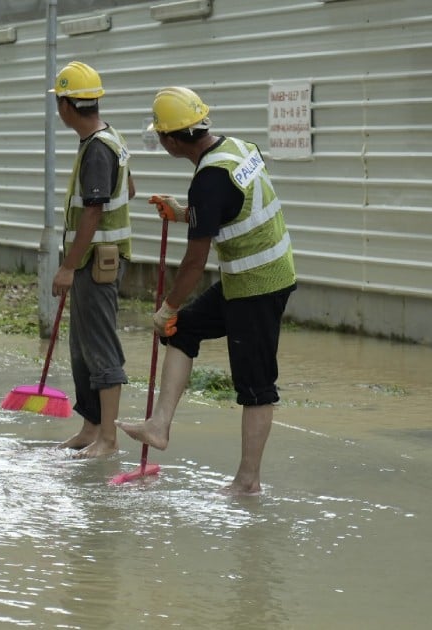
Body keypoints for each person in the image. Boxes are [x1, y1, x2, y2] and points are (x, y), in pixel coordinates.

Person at [116, 87, 297, 495]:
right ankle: (159, 425)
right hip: (249, 276)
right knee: (185, 329)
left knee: (255, 385)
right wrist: (185, 214)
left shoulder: (209, 181)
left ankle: (247, 482)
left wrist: (167, 306)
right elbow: (234, 208)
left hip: (259, 286)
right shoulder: (239, 148)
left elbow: (195, 262)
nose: (160, 142)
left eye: (160, 136)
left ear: (173, 139)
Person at [48, 61, 136, 458]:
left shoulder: (98, 150)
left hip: (97, 263)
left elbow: (94, 211)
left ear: (66, 106)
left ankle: (109, 439)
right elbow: (130, 190)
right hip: (94, 259)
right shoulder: (108, 139)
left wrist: (68, 265)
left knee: (99, 347)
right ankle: (90, 428)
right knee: (82, 347)